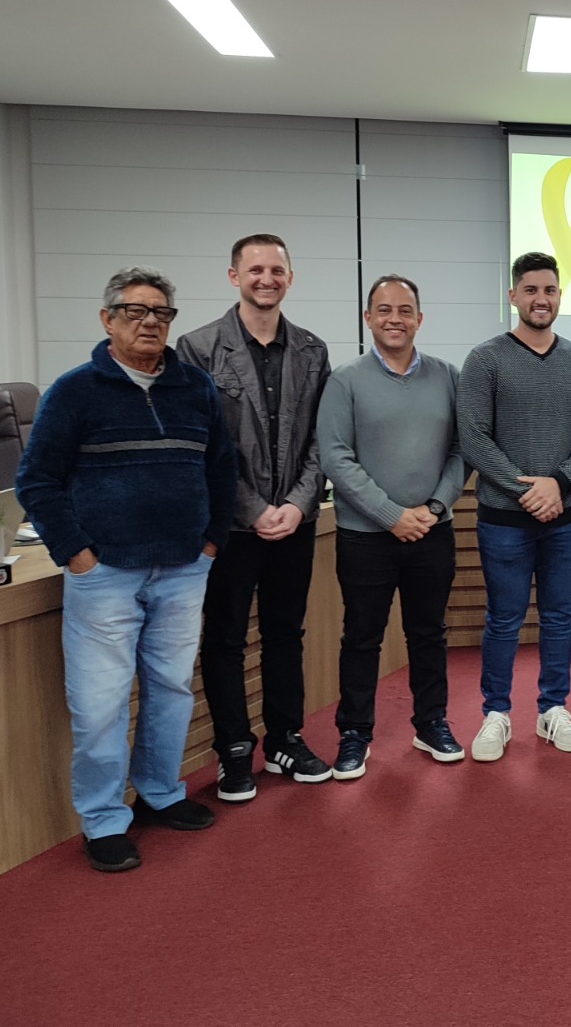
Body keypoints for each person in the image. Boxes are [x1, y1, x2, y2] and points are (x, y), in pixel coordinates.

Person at [16, 267, 237, 871]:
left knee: (169, 689)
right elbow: (35, 480)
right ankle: (104, 818)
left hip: (184, 568)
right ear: (107, 318)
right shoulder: (74, 391)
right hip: (105, 572)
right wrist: (78, 555)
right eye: (134, 311)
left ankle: (161, 794)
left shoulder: (196, 387)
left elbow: (222, 469)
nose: (149, 323)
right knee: (101, 702)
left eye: (161, 314)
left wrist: (212, 539)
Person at [179, 234, 333, 800]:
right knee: (223, 639)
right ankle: (234, 751)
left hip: (296, 521)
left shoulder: (313, 351)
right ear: (233, 276)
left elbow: (324, 441)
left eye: (276, 270)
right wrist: (253, 507)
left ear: (290, 278)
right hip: (229, 525)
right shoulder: (196, 348)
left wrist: (296, 503)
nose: (266, 278)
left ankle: (286, 739)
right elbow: (202, 443)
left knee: (285, 634)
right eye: (255, 269)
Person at [316, 275, 469, 779]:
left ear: (420, 319)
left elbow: (459, 450)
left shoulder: (448, 376)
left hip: (432, 529)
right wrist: (390, 516)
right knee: (362, 637)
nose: (395, 319)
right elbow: (336, 457)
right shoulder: (346, 380)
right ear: (368, 318)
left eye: (405, 310)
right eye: (384, 310)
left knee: (429, 633)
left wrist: (435, 505)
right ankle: (354, 734)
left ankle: (431, 724)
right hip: (366, 537)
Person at [460, 253, 571, 760]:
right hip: (504, 519)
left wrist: (560, 483)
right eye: (530, 290)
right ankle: (495, 714)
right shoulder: (485, 359)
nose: (540, 299)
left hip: (568, 517)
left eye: (549, 290)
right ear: (513, 296)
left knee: (559, 616)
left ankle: (552, 709)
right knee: (503, 618)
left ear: (560, 296)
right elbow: (474, 437)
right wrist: (529, 490)